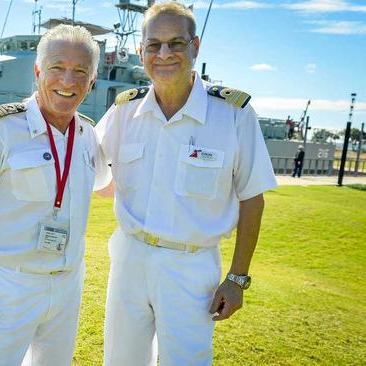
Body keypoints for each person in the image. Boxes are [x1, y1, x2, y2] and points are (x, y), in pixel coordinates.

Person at [94, 3, 277, 365]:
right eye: (153, 45)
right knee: (121, 359)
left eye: (175, 43)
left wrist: (237, 278)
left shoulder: (233, 114)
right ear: (141, 51)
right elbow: (86, 165)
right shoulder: (124, 111)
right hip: (130, 257)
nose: (163, 54)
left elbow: (252, 199)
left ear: (195, 46)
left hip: (192, 268)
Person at [0, 24, 110, 365]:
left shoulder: (87, 134)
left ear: (92, 80)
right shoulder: (1, 128)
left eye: (80, 72)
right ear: (38, 71)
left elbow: (108, 187)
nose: (68, 81)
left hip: (67, 284)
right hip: (10, 286)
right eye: (57, 68)